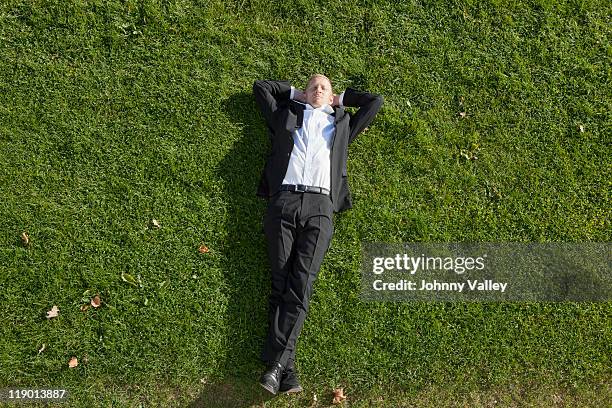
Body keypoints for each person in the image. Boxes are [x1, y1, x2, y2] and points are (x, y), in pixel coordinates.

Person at [252, 74, 383, 395]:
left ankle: (277, 366)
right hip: (283, 200)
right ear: (303, 93)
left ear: (332, 94)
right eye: (312, 86)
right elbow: (262, 88)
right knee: (281, 282)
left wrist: (338, 100)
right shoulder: (287, 115)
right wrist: (296, 95)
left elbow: (374, 102)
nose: (318, 90)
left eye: (324, 87)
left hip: (320, 207)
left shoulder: (341, 125)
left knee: (301, 283)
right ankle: (286, 368)